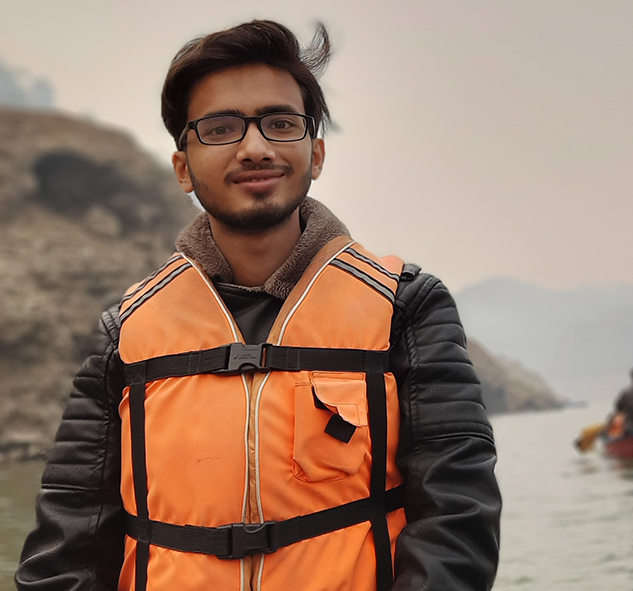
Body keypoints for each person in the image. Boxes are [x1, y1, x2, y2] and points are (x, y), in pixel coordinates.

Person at [16, 20, 500, 591]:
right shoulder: (125, 332)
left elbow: (457, 516)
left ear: (316, 153)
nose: (255, 148)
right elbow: (68, 542)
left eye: (280, 123)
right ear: (182, 167)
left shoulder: (406, 307)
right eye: (221, 128)